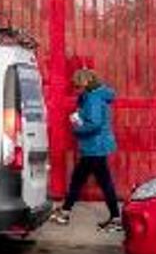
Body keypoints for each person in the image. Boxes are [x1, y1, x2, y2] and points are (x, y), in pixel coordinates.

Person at [50, 69, 120, 230]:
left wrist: (77, 127)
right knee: (85, 180)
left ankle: (115, 219)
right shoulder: (96, 95)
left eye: (77, 85)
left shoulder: (93, 98)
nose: (76, 89)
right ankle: (66, 212)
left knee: (94, 181)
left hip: (94, 147)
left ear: (85, 83)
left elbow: (94, 124)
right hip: (96, 147)